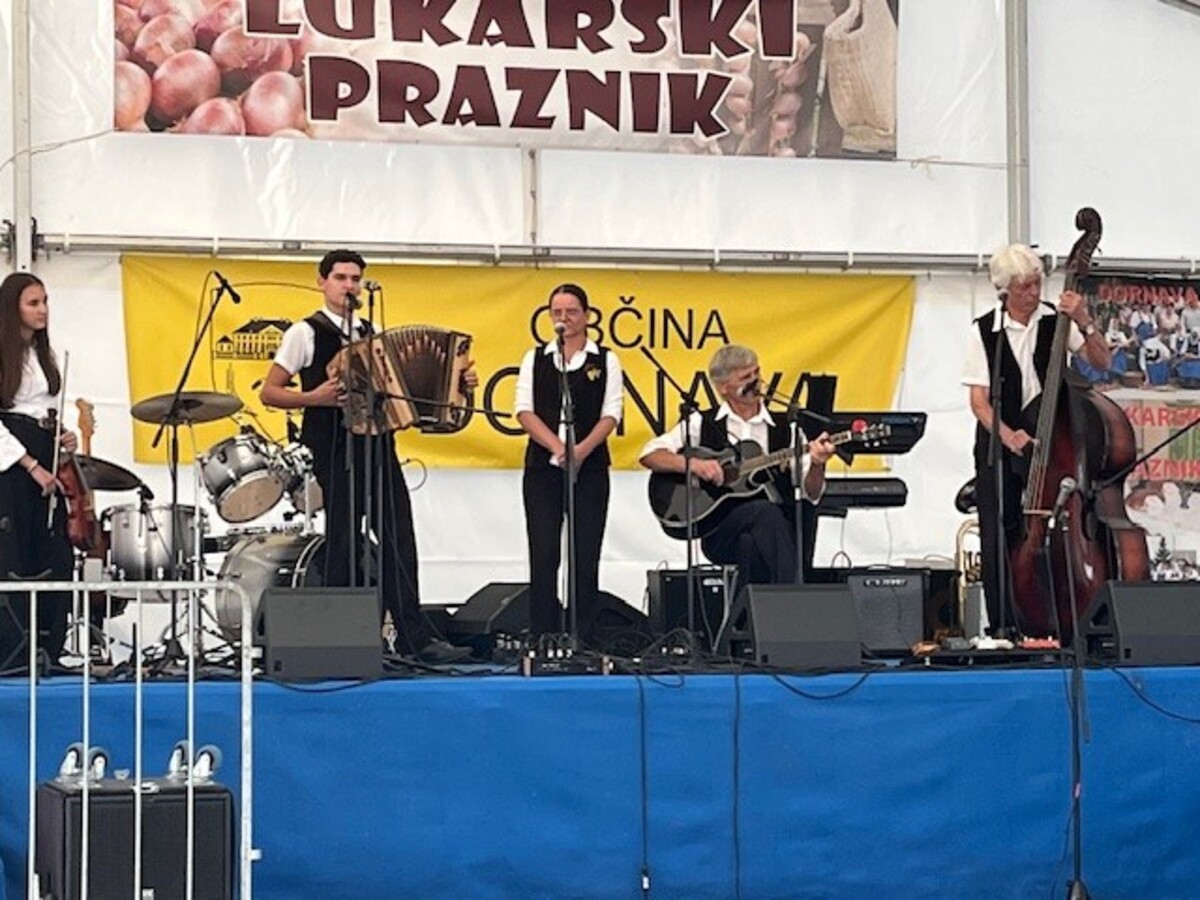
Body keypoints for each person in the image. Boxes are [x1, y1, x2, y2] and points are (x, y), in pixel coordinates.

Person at [260, 249, 470, 663]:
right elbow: (270, 391)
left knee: (398, 535)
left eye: (355, 278)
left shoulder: (372, 331)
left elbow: (399, 394)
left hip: (378, 446)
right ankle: (338, 638)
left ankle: (412, 637)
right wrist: (315, 397)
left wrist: (459, 383)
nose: (349, 285)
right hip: (332, 446)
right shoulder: (305, 332)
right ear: (322, 282)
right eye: (341, 277)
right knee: (343, 538)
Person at [962, 243, 1111, 636]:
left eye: (1036, 283)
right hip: (1001, 443)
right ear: (1004, 289)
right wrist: (1009, 436)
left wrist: (1084, 320)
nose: (1033, 292)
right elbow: (979, 402)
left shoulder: (1055, 321)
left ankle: (1061, 616)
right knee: (999, 529)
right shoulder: (984, 330)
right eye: (1024, 286)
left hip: (1054, 443)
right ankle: (1004, 625)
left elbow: (1102, 361)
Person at [639, 344, 836, 597]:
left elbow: (812, 493)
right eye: (745, 377)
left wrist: (818, 462)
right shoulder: (702, 422)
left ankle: (747, 617)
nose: (755, 381)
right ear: (723, 388)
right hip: (720, 531)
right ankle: (794, 600)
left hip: (773, 532)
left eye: (756, 372)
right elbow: (650, 454)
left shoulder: (786, 428)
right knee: (764, 513)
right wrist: (695, 465)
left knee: (752, 543)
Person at [515, 283, 623, 641]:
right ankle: (543, 635)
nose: (564, 319)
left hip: (589, 468)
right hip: (542, 467)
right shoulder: (536, 358)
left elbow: (611, 413)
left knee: (585, 552)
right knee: (544, 551)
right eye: (557, 312)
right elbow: (524, 410)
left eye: (572, 312)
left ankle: (584, 637)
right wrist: (557, 447)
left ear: (587, 316)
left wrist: (582, 450)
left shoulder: (605, 359)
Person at [0, 272, 78, 672]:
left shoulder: (47, 355)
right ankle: (12, 652)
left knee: (53, 550)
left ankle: (50, 646)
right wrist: (30, 465)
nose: (43, 309)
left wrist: (65, 438)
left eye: (45, 301)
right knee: (13, 551)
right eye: (33, 303)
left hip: (44, 449)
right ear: (12, 308)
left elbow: (44, 410)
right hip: (13, 463)